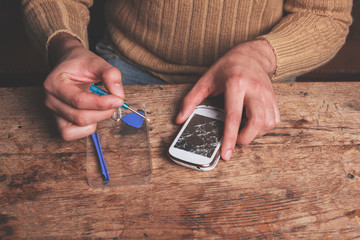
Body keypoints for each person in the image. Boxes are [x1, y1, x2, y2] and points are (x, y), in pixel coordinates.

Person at [21, 0, 352, 161]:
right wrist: (65, 46)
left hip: (260, 76)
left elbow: (325, 14)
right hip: (123, 68)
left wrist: (260, 57)